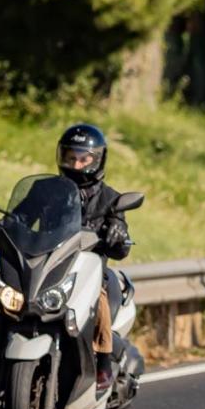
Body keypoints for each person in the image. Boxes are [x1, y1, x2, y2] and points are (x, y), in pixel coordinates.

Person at [57, 123, 133, 389]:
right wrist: (2, 226)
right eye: (71, 158)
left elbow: (122, 245)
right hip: (52, 266)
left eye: (83, 159)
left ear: (97, 160)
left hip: (88, 270)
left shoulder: (110, 198)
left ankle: (102, 362)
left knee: (97, 296)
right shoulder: (49, 192)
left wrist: (117, 230)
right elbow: (22, 216)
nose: (77, 165)